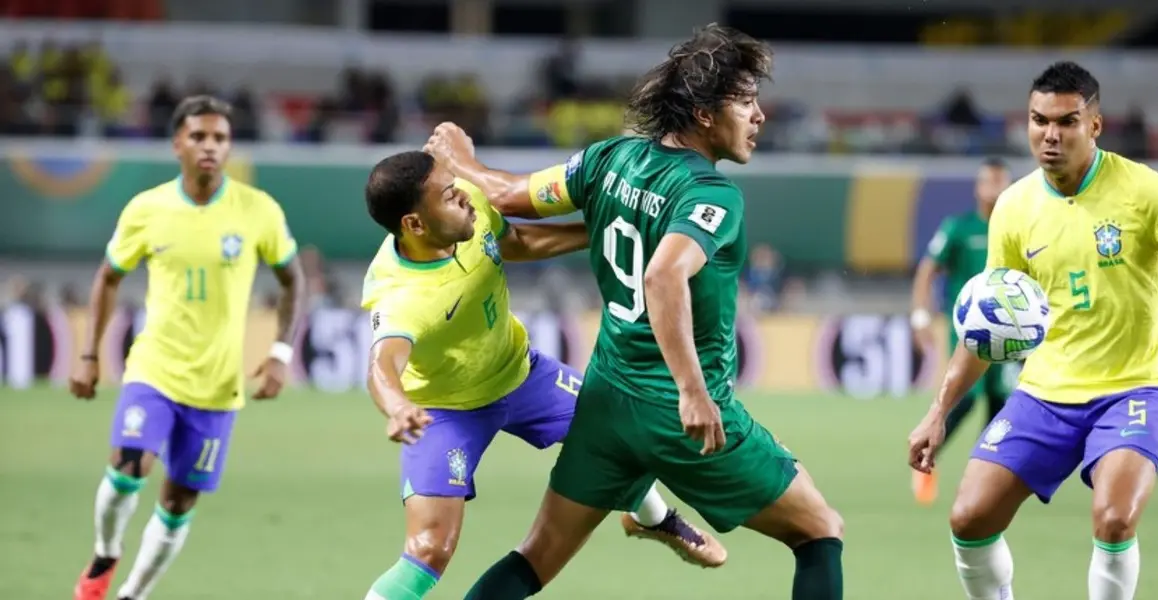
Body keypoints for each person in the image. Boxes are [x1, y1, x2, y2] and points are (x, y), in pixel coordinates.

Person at [425, 23, 845, 600]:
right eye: (745, 103)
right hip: (679, 417)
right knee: (820, 530)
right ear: (702, 114)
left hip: (605, 403)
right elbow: (662, 275)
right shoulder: (711, 195)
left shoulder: (609, 159)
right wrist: (693, 391)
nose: (759, 116)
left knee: (536, 556)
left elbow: (510, 195)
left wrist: (462, 160)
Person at [359, 150, 726, 600]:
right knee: (429, 550)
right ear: (414, 224)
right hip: (445, 413)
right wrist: (397, 407)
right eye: (449, 195)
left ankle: (652, 519)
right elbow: (382, 365)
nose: (465, 197)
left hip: (521, 374)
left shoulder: (467, 210)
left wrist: (600, 230)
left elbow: (515, 242)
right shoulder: (400, 296)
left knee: (624, 432)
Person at [907, 61, 1158, 600]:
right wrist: (938, 411)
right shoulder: (1014, 208)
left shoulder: (1145, 191)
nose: (1050, 134)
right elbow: (988, 328)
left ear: (1095, 125)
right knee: (969, 517)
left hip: (1131, 390)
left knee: (1114, 520)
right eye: (1039, 120)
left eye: (1066, 121)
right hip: (1043, 394)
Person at [70, 95, 306, 600]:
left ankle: (133, 594)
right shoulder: (147, 210)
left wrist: (281, 353)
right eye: (199, 136)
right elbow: (108, 276)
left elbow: (293, 279)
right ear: (178, 143)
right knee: (128, 465)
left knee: (178, 503)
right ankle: (106, 552)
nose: (210, 147)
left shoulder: (258, 210)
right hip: (155, 368)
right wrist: (90, 355)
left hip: (218, 385)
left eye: (220, 138)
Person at [909, 157, 1014, 505]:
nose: (994, 188)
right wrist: (920, 315)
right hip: (968, 332)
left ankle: (986, 475)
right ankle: (926, 457)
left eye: (1000, 182)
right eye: (988, 181)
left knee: (1002, 402)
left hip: (1010, 332)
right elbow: (928, 269)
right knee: (965, 398)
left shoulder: (1017, 228)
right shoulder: (958, 227)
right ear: (978, 187)